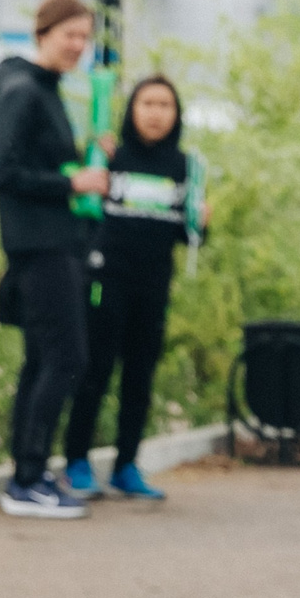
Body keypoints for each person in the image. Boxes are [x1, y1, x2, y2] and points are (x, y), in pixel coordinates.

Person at [0, 0, 110, 520]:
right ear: (43, 34)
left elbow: (43, 164)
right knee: (67, 359)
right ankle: (29, 478)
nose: (78, 46)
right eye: (70, 36)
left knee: (43, 359)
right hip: (40, 246)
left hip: (53, 242)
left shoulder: (47, 90)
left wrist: (87, 159)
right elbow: (6, 174)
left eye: (85, 38)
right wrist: (75, 182)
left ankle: (29, 474)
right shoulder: (23, 91)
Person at [63, 74, 206, 501]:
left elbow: (189, 233)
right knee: (95, 371)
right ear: (132, 109)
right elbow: (81, 211)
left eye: (165, 105)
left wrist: (203, 221)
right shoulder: (109, 156)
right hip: (107, 282)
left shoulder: (186, 167)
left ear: (176, 114)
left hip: (154, 284)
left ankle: (127, 465)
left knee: (140, 378)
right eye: (147, 103)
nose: (156, 113)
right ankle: (76, 460)